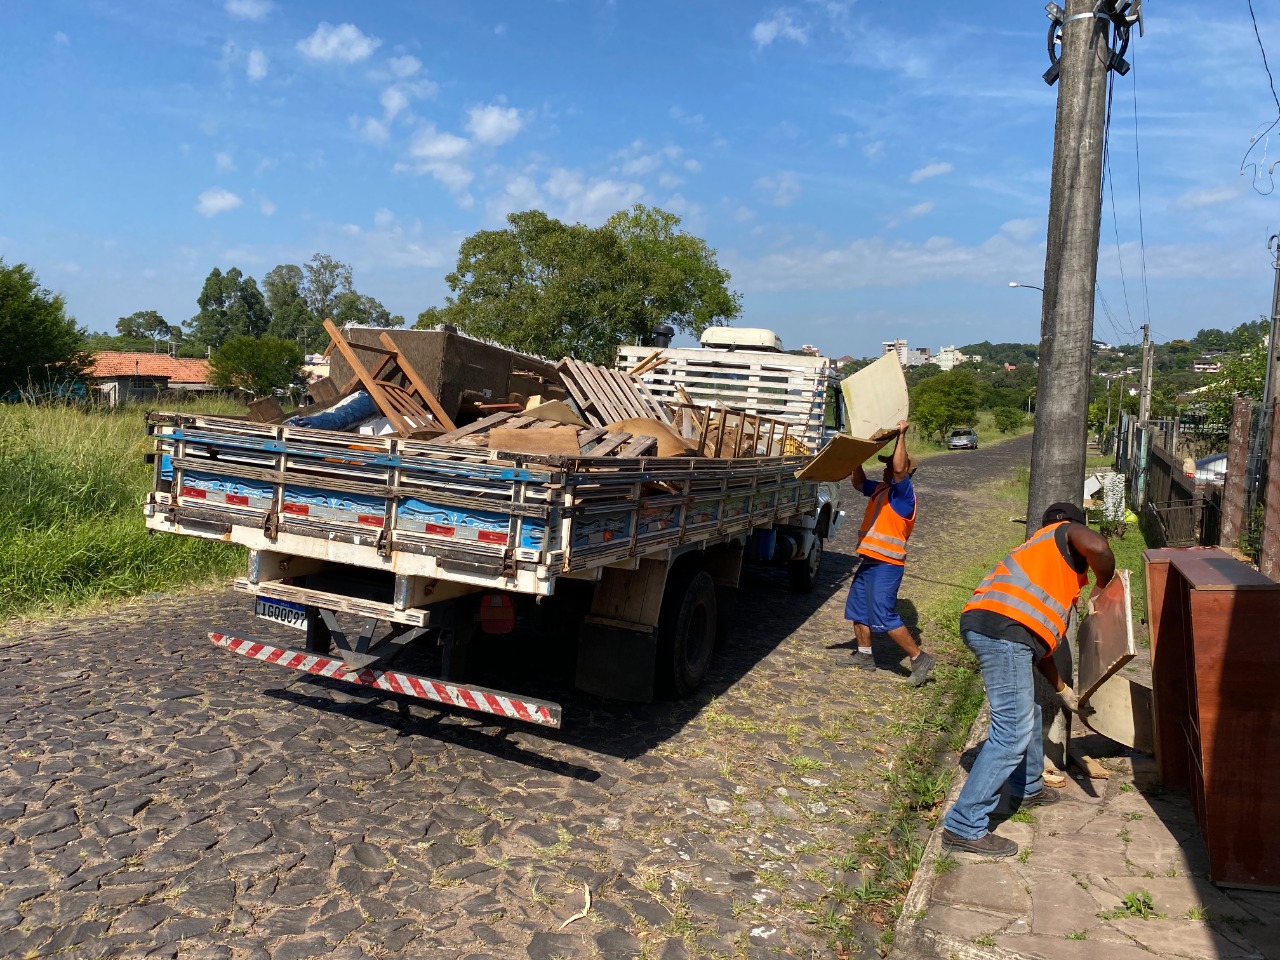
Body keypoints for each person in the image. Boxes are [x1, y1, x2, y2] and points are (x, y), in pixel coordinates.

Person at [940, 501, 1115, 858]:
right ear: (1071, 527)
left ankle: (1030, 785)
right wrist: (1104, 585)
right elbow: (1098, 546)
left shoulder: (1037, 559)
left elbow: (1042, 650)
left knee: (1030, 713)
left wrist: (1064, 691)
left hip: (999, 629)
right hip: (1003, 632)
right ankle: (964, 825)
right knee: (1011, 732)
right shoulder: (1064, 532)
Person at [845, 420, 935, 687]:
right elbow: (859, 482)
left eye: (889, 465)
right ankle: (864, 657)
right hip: (870, 561)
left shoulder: (903, 495)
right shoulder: (882, 490)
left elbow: (898, 469)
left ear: (906, 471)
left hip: (887, 564)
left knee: (883, 614)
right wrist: (855, 457)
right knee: (859, 610)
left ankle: (919, 658)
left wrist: (902, 435)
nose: (886, 468)